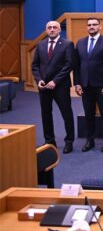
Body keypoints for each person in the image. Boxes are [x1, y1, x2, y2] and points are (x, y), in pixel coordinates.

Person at [31, 20, 75, 153]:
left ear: (59, 30)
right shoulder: (40, 45)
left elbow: (69, 65)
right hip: (44, 87)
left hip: (60, 86)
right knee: (46, 114)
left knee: (66, 114)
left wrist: (55, 81)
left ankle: (69, 141)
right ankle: (49, 141)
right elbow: (35, 66)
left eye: (54, 27)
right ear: (46, 30)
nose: (51, 29)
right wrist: (39, 80)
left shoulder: (67, 44)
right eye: (49, 27)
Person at [73, 17, 103, 152]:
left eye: (94, 24)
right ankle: (89, 141)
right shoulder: (80, 42)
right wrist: (77, 83)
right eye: (89, 25)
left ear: (100, 26)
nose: (91, 26)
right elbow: (76, 65)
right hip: (85, 85)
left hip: (101, 85)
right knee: (88, 115)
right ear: (87, 27)